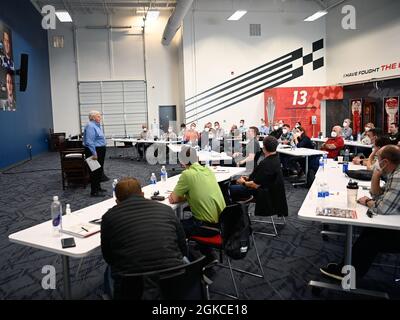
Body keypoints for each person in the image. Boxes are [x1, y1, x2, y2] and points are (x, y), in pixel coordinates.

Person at [320, 145, 400, 281]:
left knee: (372, 239)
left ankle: (350, 276)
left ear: (385, 162)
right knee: (370, 230)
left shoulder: (398, 176)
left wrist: (367, 201)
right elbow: (377, 194)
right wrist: (376, 174)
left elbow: (381, 208)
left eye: (377, 160)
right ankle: (347, 267)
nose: (375, 163)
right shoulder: (394, 173)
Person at [101, 177, 188, 296]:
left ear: (117, 201)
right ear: (142, 194)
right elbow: (182, 246)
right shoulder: (166, 209)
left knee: (110, 270)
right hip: (174, 279)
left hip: (131, 285)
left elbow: (108, 256)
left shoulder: (108, 217)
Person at [168, 146, 226, 262]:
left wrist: (185, 196)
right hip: (223, 223)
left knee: (172, 229)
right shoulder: (208, 170)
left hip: (206, 227)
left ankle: (187, 262)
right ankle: (208, 254)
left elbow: (173, 199)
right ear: (197, 158)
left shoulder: (187, 174)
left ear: (182, 161)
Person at [229, 136, 288, 216]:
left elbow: (255, 185)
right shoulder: (276, 159)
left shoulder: (266, 163)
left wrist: (243, 182)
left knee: (228, 189)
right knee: (234, 183)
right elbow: (263, 178)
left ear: (264, 148)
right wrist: (247, 179)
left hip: (261, 193)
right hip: (271, 191)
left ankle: (235, 214)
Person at [83, 110, 107, 197]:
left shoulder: (96, 125)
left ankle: (98, 187)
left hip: (99, 150)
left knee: (99, 170)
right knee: (94, 170)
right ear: (93, 117)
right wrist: (94, 153)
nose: (100, 117)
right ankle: (94, 191)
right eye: (98, 116)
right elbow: (89, 142)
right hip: (93, 150)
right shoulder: (90, 126)